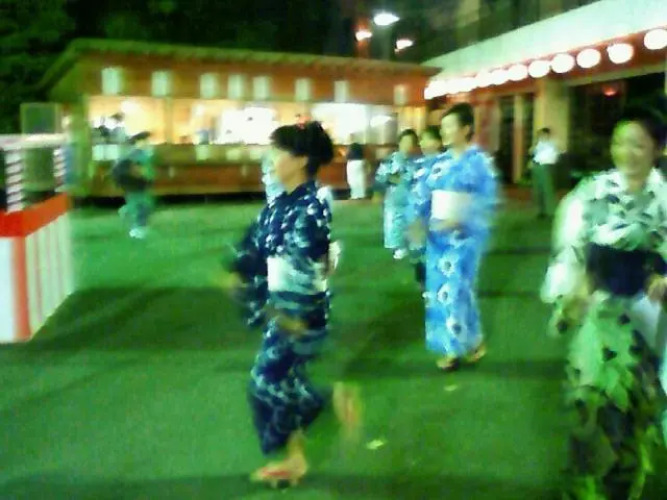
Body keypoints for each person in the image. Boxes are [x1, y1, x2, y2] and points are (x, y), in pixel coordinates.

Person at [224, 122, 360, 488]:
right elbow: (255, 244)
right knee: (284, 380)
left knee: (265, 382)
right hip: (284, 310)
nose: (271, 159)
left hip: (298, 313)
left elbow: (307, 270)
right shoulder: (280, 204)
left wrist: (283, 314)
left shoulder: (310, 209)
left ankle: (327, 402)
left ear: (300, 160)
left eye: (278, 152)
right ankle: (294, 459)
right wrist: (239, 269)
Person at [540, 106, 667, 499]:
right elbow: (571, 249)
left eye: (638, 144)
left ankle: (627, 477)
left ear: (658, 149)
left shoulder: (664, 198)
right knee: (591, 402)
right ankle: (589, 485)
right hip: (601, 313)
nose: (627, 152)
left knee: (636, 407)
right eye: (619, 142)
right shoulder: (591, 193)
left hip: (651, 319)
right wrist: (573, 291)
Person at [408, 103, 499, 371]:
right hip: (438, 238)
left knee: (458, 289)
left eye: (450, 126)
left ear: (465, 129)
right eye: (443, 127)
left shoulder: (479, 163)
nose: (444, 132)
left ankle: (456, 347)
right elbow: (421, 194)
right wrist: (417, 219)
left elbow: (487, 200)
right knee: (439, 291)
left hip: (464, 238)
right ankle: (466, 344)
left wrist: (463, 218)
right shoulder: (437, 163)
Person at [374, 129, 420, 260]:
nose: (408, 145)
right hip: (394, 198)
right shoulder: (391, 160)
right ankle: (398, 248)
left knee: (412, 221)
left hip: (412, 198)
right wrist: (392, 179)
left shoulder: (417, 161)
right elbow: (380, 177)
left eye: (411, 142)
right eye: (405, 142)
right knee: (395, 223)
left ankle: (414, 245)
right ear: (399, 143)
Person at [409, 126, 445, 289]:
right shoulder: (418, 164)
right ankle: (423, 283)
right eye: (421, 140)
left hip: (435, 215)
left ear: (438, 142)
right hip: (416, 215)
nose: (422, 143)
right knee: (417, 251)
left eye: (426, 139)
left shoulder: (445, 165)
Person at [113, 132, 155, 239]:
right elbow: (135, 169)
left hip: (139, 183)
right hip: (135, 183)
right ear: (138, 142)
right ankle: (137, 229)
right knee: (141, 206)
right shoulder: (134, 155)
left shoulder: (142, 153)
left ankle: (126, 212)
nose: (147, 143)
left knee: (141, 205)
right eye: (145, 141)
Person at [530, 127, 559, 218]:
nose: (541, 136)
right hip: (537, 167)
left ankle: (550, 211)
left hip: (545, 167)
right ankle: (540, 211)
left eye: (542, 134)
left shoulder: (551, 144)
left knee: (547, 190)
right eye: (540, 135)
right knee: (538, 190)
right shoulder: (539, 144)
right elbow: (532, 152)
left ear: (547, 135)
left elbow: (550, 157)